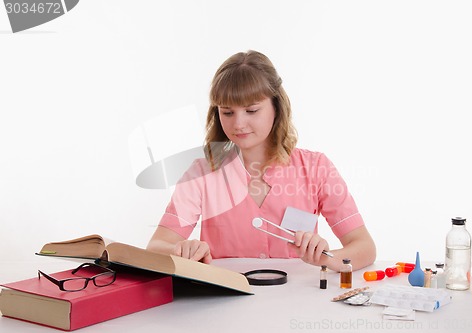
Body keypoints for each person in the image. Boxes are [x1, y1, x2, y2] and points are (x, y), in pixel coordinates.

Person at [147, 50, 376, 271]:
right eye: (227, 112)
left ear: (276, 107)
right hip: (225, 305)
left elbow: (364, 247)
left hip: (298, 302)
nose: (238, 124)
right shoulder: (202, 173)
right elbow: (156, 247)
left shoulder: (316, 168)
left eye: (252, 110)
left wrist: (328, 258)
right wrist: (181, 250)